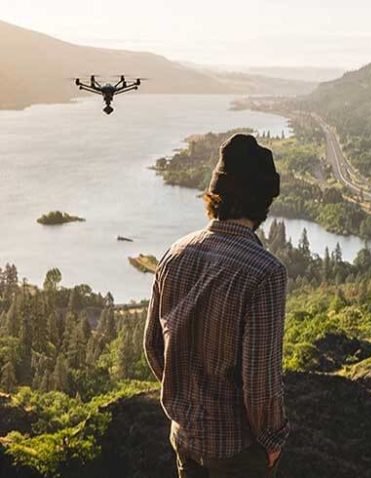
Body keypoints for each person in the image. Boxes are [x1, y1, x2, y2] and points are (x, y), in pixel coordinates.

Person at [144, 133, 288, 477]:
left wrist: (187, 409)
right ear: (264, 203)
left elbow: (152, 348)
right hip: (236, 453)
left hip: (185, 441)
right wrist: (272, 441)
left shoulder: (175, 254)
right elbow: (260, 382)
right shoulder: (265, 273)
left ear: (215, 196)